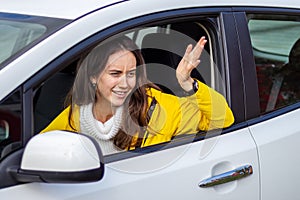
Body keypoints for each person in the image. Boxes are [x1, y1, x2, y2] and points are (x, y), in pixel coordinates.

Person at [41, 35, 234, 155]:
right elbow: (43, 148)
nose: (125, 84)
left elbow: (223, 119)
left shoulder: (159, 108)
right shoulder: (77, 114)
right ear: (93, 77)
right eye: (115, 73)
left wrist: (188, 84)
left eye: (131, 74)